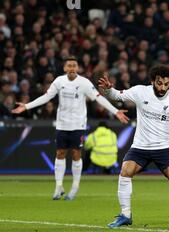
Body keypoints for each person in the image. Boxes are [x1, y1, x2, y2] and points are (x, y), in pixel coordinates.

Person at [11, 56, 129, 200]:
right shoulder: (59, 81)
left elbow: (98, 98)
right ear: (65, 68)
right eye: (69, 65)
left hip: (78, 125)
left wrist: (115, 111)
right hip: (62, 124)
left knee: (75, 154)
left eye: (74, 65)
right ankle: (58, 186)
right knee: (60, 153)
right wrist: (26, 106)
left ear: (77, 68)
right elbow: (46, 97)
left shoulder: (84, 83)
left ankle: (74, 187)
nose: (72, 68)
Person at [98, 65, 169, 228]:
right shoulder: (140, 91)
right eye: (159, 83)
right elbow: (117, 95)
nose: (163, 87)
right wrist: (109, 90)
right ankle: (125, 215)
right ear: (152, 80)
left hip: (164, 147)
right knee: (125, 172)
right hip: (140, 147)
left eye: (166, 84)